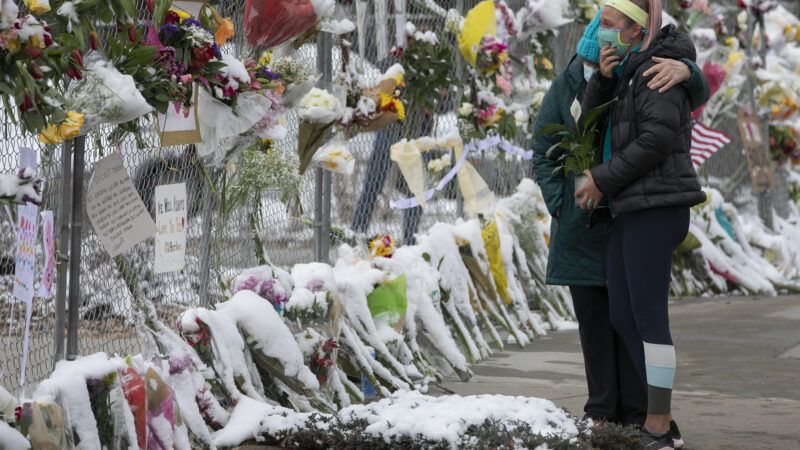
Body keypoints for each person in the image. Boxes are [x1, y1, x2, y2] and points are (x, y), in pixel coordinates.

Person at [532, 6, 709, 437]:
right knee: (614, 317)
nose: (603, 37)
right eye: (599, 31)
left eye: (610, 28)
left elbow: (659, 133)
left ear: (637, 32)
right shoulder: (613, 75)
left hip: (642, 205)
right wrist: (566, 203)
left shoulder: (655, 70)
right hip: (601, 215)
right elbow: (563, 141)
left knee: (642, 316)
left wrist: (689, 72)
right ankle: (630, 414)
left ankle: (652, 419)